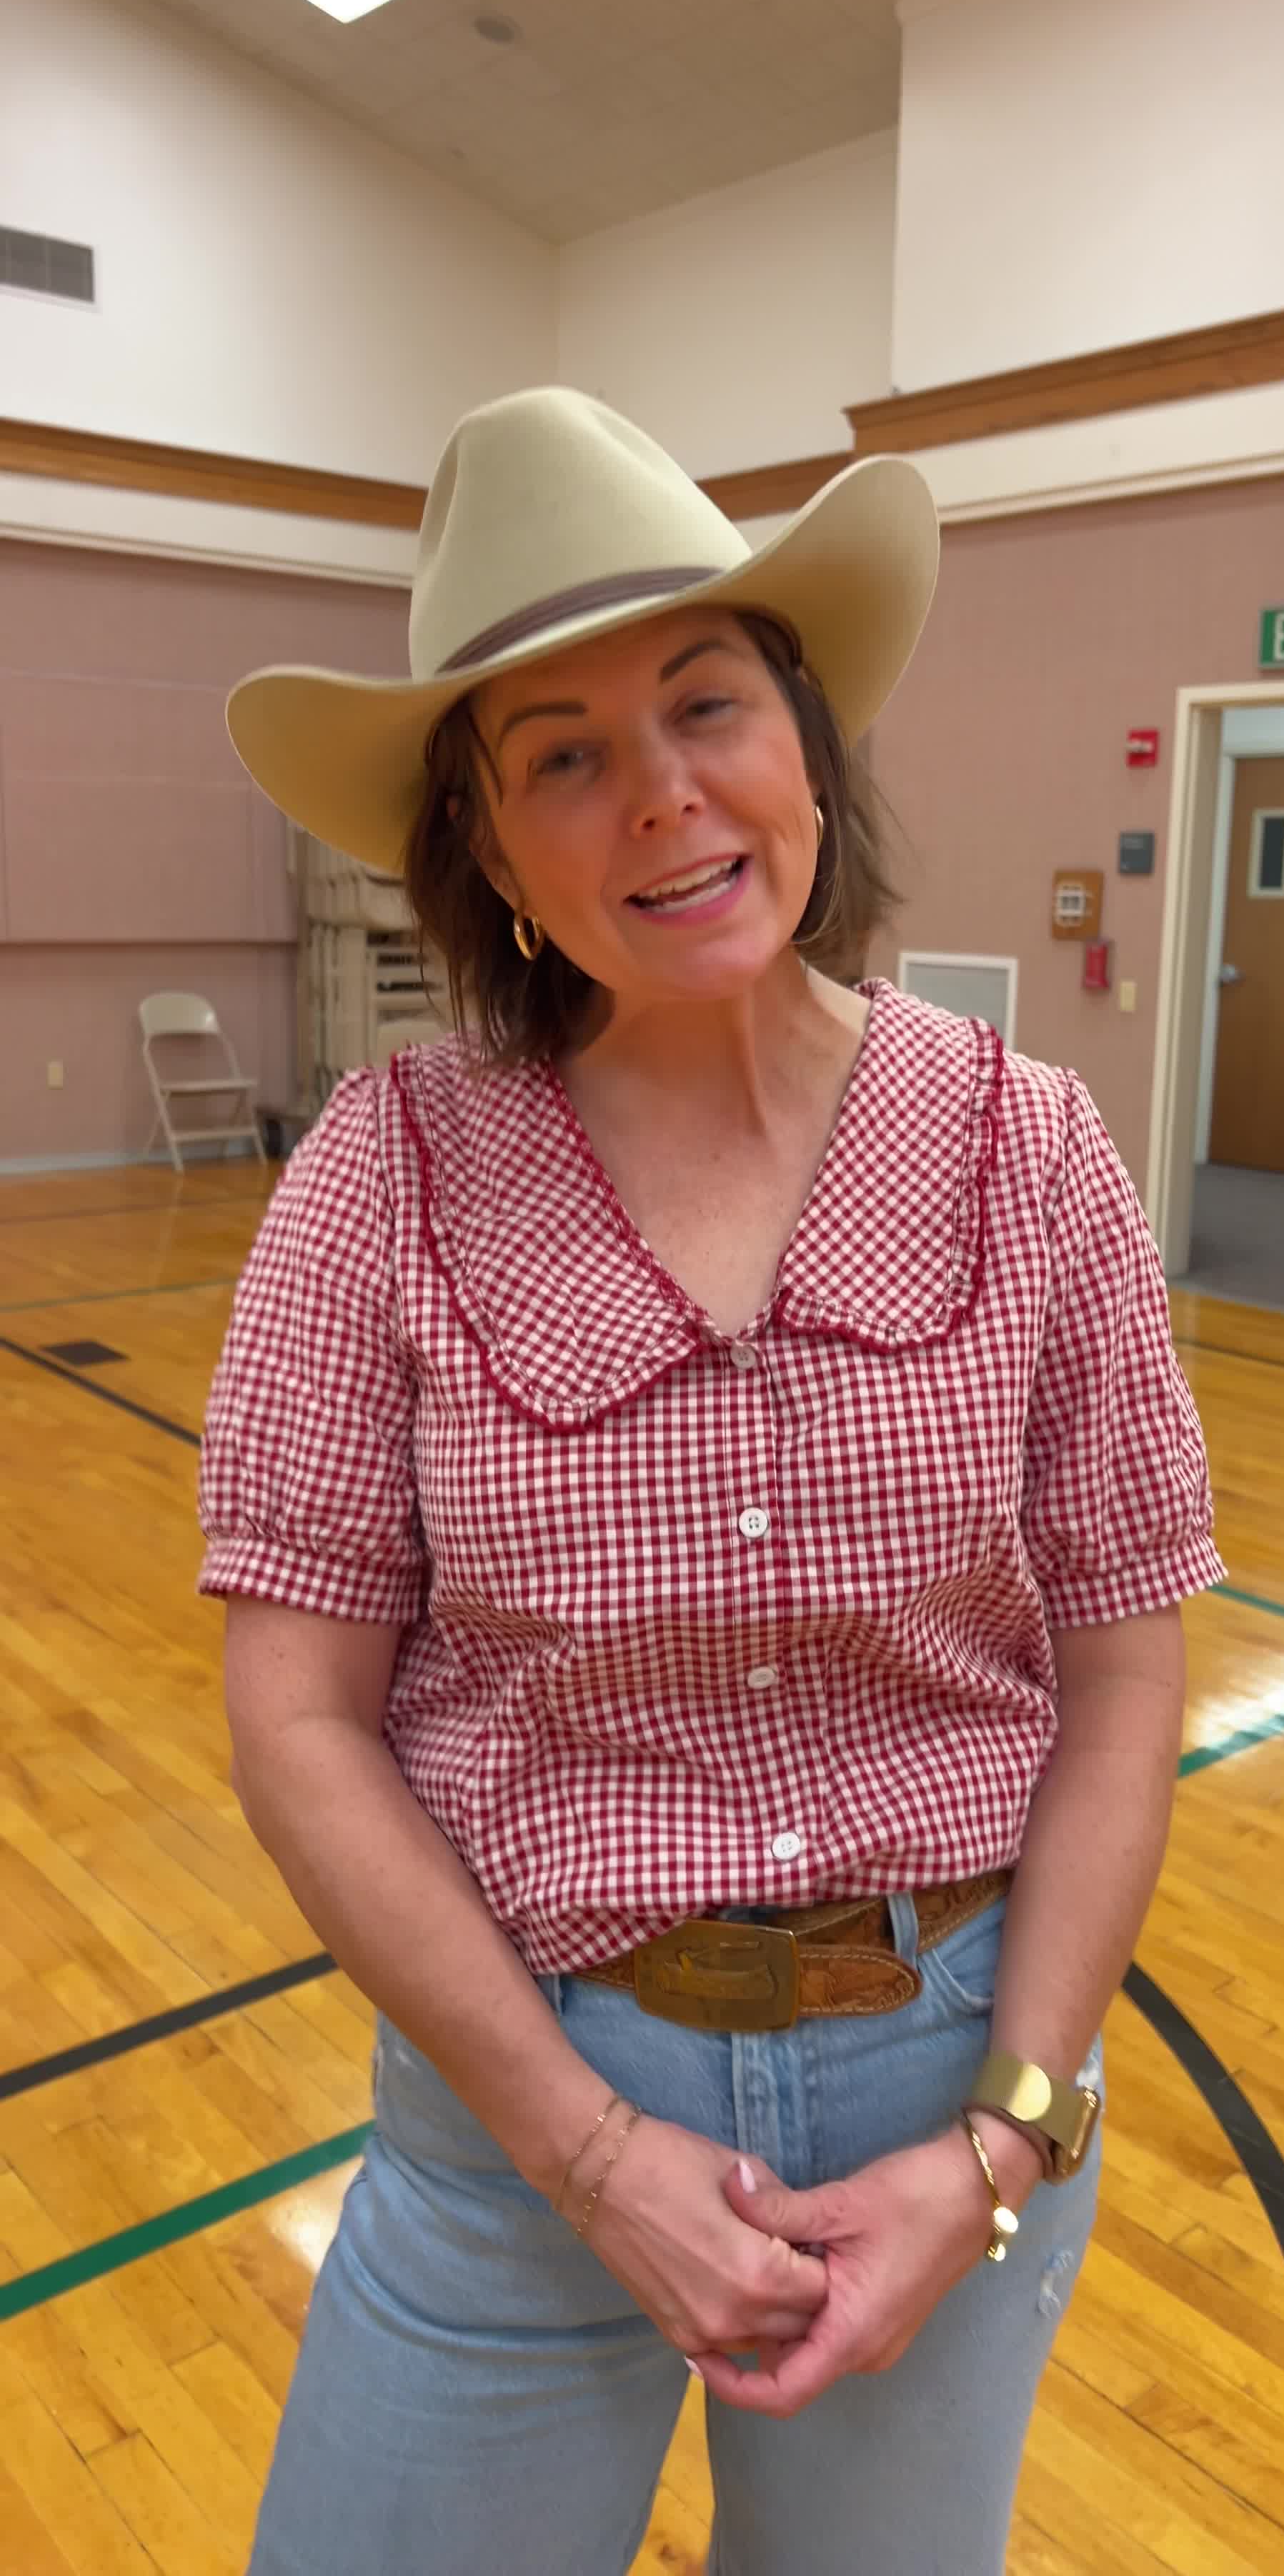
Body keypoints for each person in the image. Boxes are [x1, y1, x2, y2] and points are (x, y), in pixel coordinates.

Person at [200, 386, 1223, 2576]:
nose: (663, 791)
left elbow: (1130, 1675)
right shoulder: (384, 1179)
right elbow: (296, 1722)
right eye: (563, 754)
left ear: (809, 745)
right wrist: (584, 2155)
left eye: (707, 702)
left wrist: (1008, 2141)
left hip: (949, 2112)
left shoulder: (1030, 1150)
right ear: (488, 848)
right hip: (518, 2122)